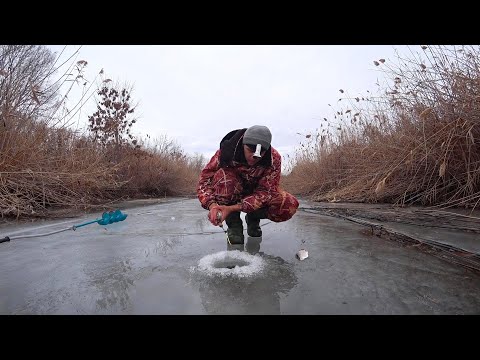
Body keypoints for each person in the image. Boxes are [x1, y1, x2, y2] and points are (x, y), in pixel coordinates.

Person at [196, 125, 299, 244]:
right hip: (232, 192)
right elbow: (204, 181)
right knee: (223, 177)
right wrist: (212, 205)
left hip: (255, 197)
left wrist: (230, 208)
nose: (254, 157)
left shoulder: (273, 158)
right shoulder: (225, 152)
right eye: (250, 151)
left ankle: (253, 217)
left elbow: (267, 192)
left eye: (260, 153)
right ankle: (234, 224)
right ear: (243, 144)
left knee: (289, 204)